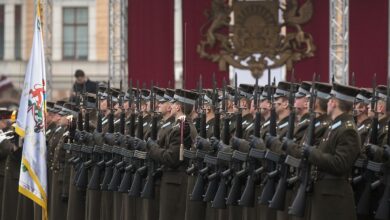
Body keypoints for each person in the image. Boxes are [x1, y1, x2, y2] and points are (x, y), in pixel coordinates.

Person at [302, 83, 360, 220]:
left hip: (334, 199)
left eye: (329, 100)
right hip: (325, 195)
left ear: (333, 103)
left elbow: (340, 163)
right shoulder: (335, 126)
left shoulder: (348, 129)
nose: (327, 103)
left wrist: (312, 153)